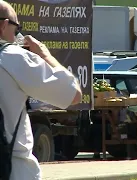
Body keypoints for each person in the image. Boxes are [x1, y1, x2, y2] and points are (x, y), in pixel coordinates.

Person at [0, 1, 82, 180]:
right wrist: (45, 54)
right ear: (4, 25)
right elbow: (73, 94)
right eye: (17, 29)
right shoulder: (14, 58)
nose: (17, 36)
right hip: (14, 170)